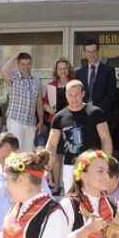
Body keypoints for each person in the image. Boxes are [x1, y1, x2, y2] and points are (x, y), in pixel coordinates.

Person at [46, 79, 113, 193]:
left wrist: (106, 163)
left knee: (94, 198)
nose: (73, 98)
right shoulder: (59, 117)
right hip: (69, 165)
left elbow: (105, 139)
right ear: (66, 95)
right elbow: (52, 143)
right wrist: (47, 164)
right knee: (71, 201)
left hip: (92, 165)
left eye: (77, 94)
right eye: (70, 95)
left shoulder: (96, 112)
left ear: (83, 93)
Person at [75, 39, 117, 160]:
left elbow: (111, 95)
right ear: (85, 52)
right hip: (83, 117)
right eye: (88, 51)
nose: (91, 54)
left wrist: (96, 111)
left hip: (101, 116)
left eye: (94, 51)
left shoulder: (108, 71)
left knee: (100, 148)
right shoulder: (79, 73)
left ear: (98, 51)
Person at [0, 52, 44, 152]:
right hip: (16, 120)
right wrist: (15, 56)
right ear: (18, 65)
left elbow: (39, 104)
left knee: (28, 153)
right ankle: (13, 168)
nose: (26, 67)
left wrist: (41, 121)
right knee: (16, 151)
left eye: (28, 64)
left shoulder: (36, 81)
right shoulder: (14, 77)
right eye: (23, 64)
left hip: (30, 122)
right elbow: (3, 71)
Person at [43, 58, 74, 191]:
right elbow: (44, 102)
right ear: (56, 70)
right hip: (55, 123)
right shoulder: (51, 85)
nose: (62, 71)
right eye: (60, 68)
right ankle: (56, 186)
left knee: (71, 154)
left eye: (65, 68)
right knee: (56, 156)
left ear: (69, 69)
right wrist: (48, 109)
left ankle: (71, 186)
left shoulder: (74, 85)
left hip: (70, 123)